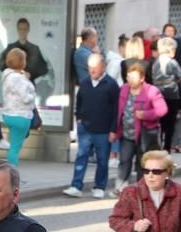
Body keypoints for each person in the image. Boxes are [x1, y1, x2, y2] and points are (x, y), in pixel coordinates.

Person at [64, 53, 119, 199]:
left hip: (103, 130)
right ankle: (76, 185)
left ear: (103, 66)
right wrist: (79, 118)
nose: (92, 70)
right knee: (81, 157)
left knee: (102, 160)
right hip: (86, 128)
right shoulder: (85, 82)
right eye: (90, 67)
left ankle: (99, 186)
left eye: (95, 67)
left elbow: (116, 110)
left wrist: (113, 129)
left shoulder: (111, 85)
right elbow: (79, 102)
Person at [112, 61, 168, 195]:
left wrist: (146, 115)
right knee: (124, 161)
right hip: (126, 134)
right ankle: (120, 188)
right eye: (128, 77)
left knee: (142, 163)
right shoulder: (124, 89)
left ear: (142, 78)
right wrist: (114, 129)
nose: (130, 80)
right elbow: (117, 110)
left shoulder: (151, 91)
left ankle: (141, 189)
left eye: (133, 78)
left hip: (144, 134)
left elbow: (162, 110)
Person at [1, 47, 37, 166]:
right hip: (21, 116)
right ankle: (12, 177)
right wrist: (33, 95)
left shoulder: (7, 75)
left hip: (9, 115)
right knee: (14, 150)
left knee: (15, 143)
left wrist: (23, 76)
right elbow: (26, 98)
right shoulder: (19, 79)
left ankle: (10, 175)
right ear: (22, 61)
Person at [0, 18, 50, 84]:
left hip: (28, 86)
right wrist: (13, 72)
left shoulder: (35, 49)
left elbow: (44, 69)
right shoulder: (10, 48)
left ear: (28, 30)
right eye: (20, 29)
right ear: (17, 30)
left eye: (24, 29)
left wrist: (31, 74)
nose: (22, 32)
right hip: (13, 85)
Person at [151, 36, 181, 150]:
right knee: (170, 123)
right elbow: (179, 76)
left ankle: (158, 145)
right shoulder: (173, 62)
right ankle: (167, 147)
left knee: (160, 122)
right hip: (172, 95)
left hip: (158, 94)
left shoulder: (155, 62)